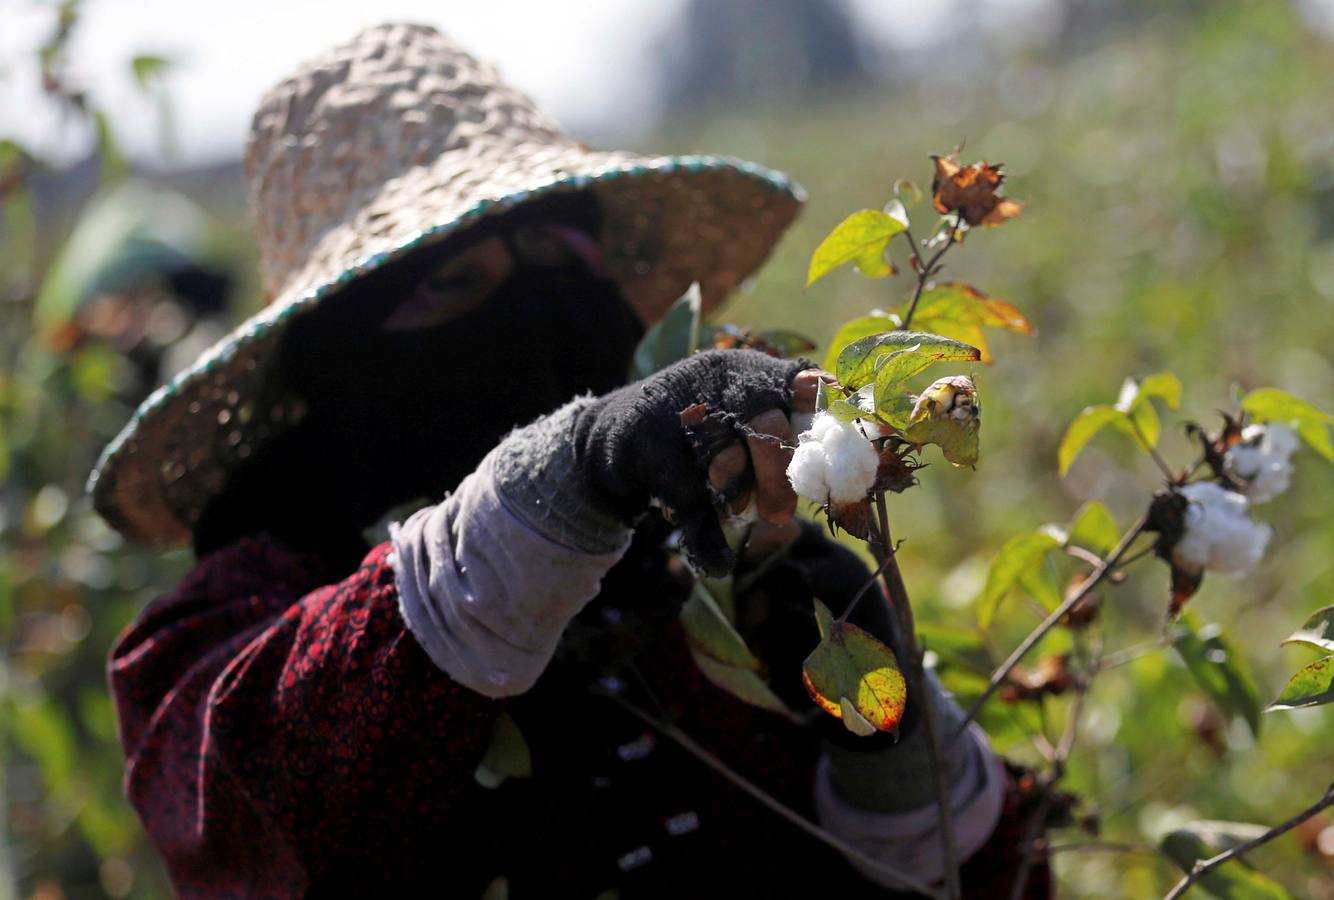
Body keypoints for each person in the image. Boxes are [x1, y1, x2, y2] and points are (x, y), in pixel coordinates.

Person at [90, 24, 1049, 898]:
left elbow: (1000, 883)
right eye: (460, 283)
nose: (541, 320)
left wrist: (885, 720)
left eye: (561, 262)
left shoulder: (715, 565)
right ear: (340, 361)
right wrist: (568, 475)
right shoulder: (237, 609)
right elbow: (248, 819)